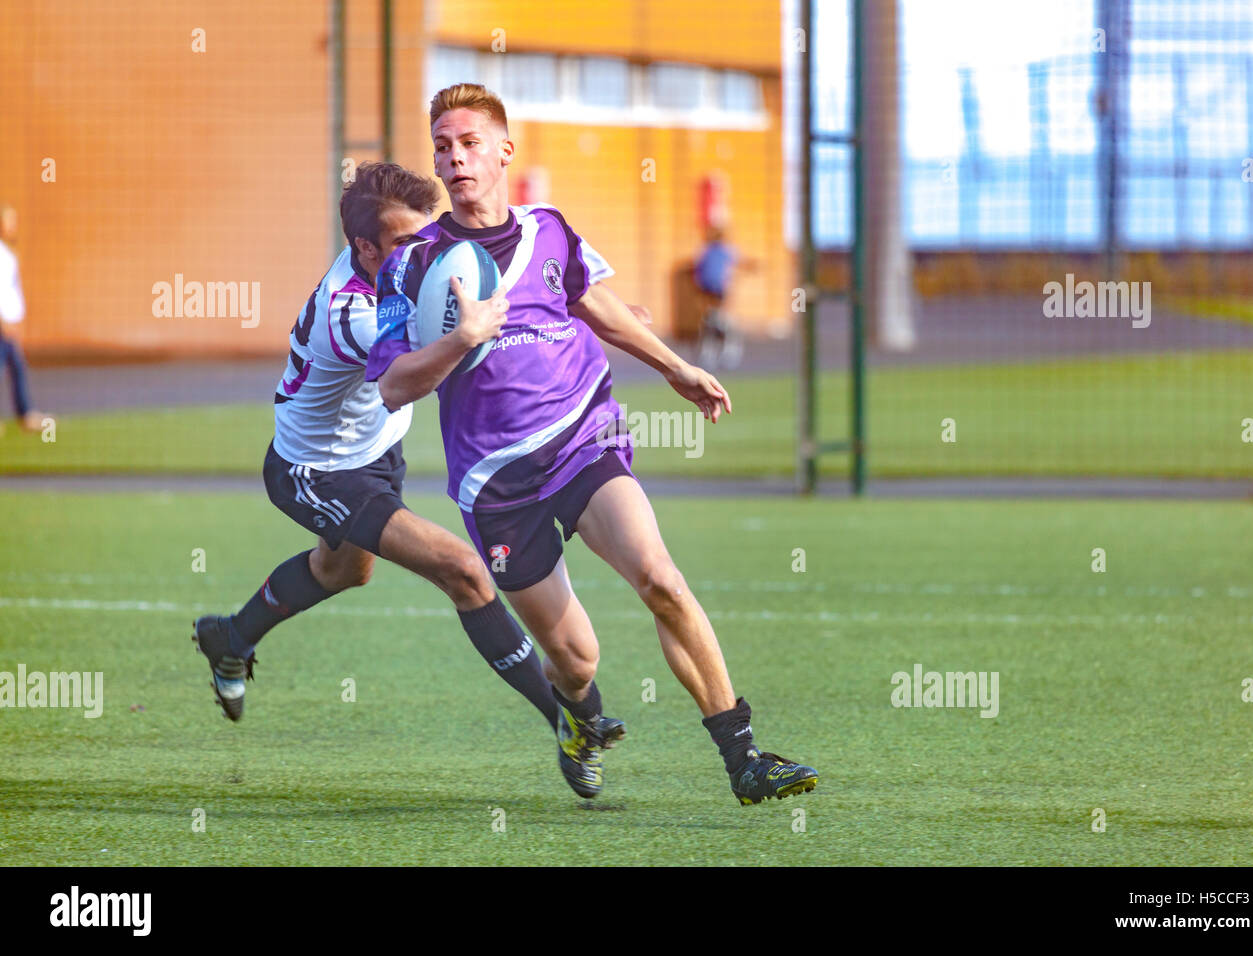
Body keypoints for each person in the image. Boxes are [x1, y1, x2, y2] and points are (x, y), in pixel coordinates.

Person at [366, 83, 818, 806]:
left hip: (583, 438)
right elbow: (391, 386)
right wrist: (462, 337)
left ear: (505, 150)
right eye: (443, 147)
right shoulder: (410, 265)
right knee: (577, 659)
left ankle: (745, 759)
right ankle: (577, 718)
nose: (455, 159)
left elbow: (598, 305)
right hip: (496, 485)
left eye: (470, 143)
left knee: (661, 581)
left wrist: (677, 367)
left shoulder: (551, 230)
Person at [190, 162, 622, 799]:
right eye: (401, 243)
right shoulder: (353, 315)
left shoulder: (416, 264)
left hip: (376, 450)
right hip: (319, 471)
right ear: (364, 249)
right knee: (464, 570)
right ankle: (570, 719)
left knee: (343, 571)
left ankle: (230, 636)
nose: (425, 254)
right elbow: (428, 366)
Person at [0, 205, 51, 435]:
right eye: (8, 221)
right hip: (3, 324)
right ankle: (25, 413)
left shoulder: (8, 252)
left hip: (10, 323)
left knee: (17, 367)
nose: (12, 225)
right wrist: (4, 322)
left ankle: (25, 413)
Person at [692, 225, 754, 370]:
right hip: (718, 288)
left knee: (710, 318)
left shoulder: (705, 251)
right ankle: (727, 349)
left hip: (706, 289)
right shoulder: (726, 250)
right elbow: (740, 262)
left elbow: (698, 270)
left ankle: (708, 351)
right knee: (723, 319)